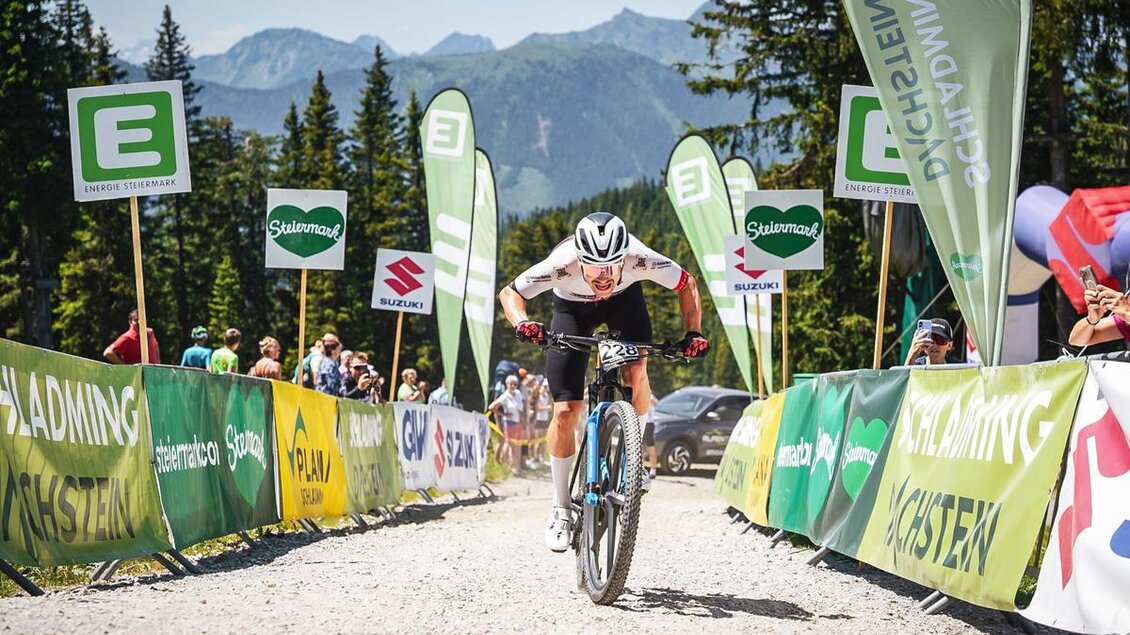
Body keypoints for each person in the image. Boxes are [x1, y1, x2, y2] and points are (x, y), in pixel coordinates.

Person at [498, 211, 709, 552]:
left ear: (623, 258)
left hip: (625, 305)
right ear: (579, 260)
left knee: (637, 370)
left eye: (611, 268)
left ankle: (633, 456)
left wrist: (693, 332)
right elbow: (510, 294)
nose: (603, 278)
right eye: (595, 270)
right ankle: (561, 507)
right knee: (566, 410)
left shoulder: (639, 258)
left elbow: (687, 284)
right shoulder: (560, 264)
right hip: (572, 311)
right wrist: (523, 322)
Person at [488, 375, 526, 474]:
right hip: (509, 423)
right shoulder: (504, 396)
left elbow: (523, 402)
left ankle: (516, 467)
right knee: (510, 444)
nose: (513, 386)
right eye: (511, 384)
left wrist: (524, 415)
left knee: (517, 445)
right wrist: (503, 414)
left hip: (518, 422)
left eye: (515, 384)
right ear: (507, 385)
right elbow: (491, 407)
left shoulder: (518, 393)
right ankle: (506, 465)